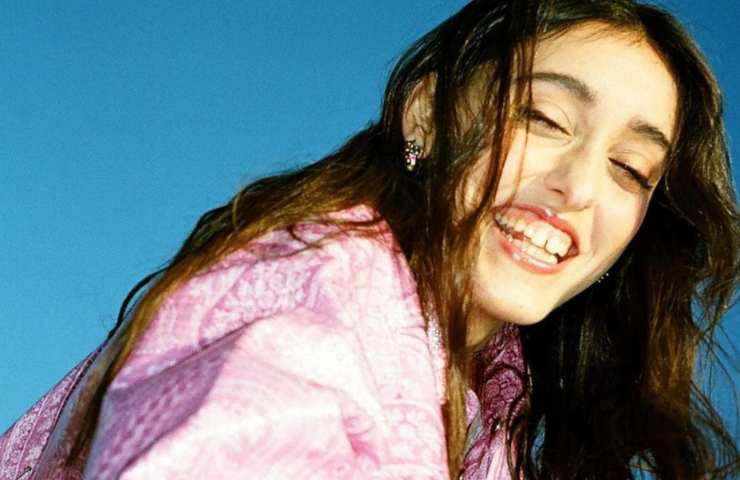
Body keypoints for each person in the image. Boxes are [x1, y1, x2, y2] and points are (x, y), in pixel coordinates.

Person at [1, 0, 738, 478]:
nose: (579, 187)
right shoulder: (309, 307)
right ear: (427, 116)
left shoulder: (492, 389)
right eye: (544, 119)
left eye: (629, 168)